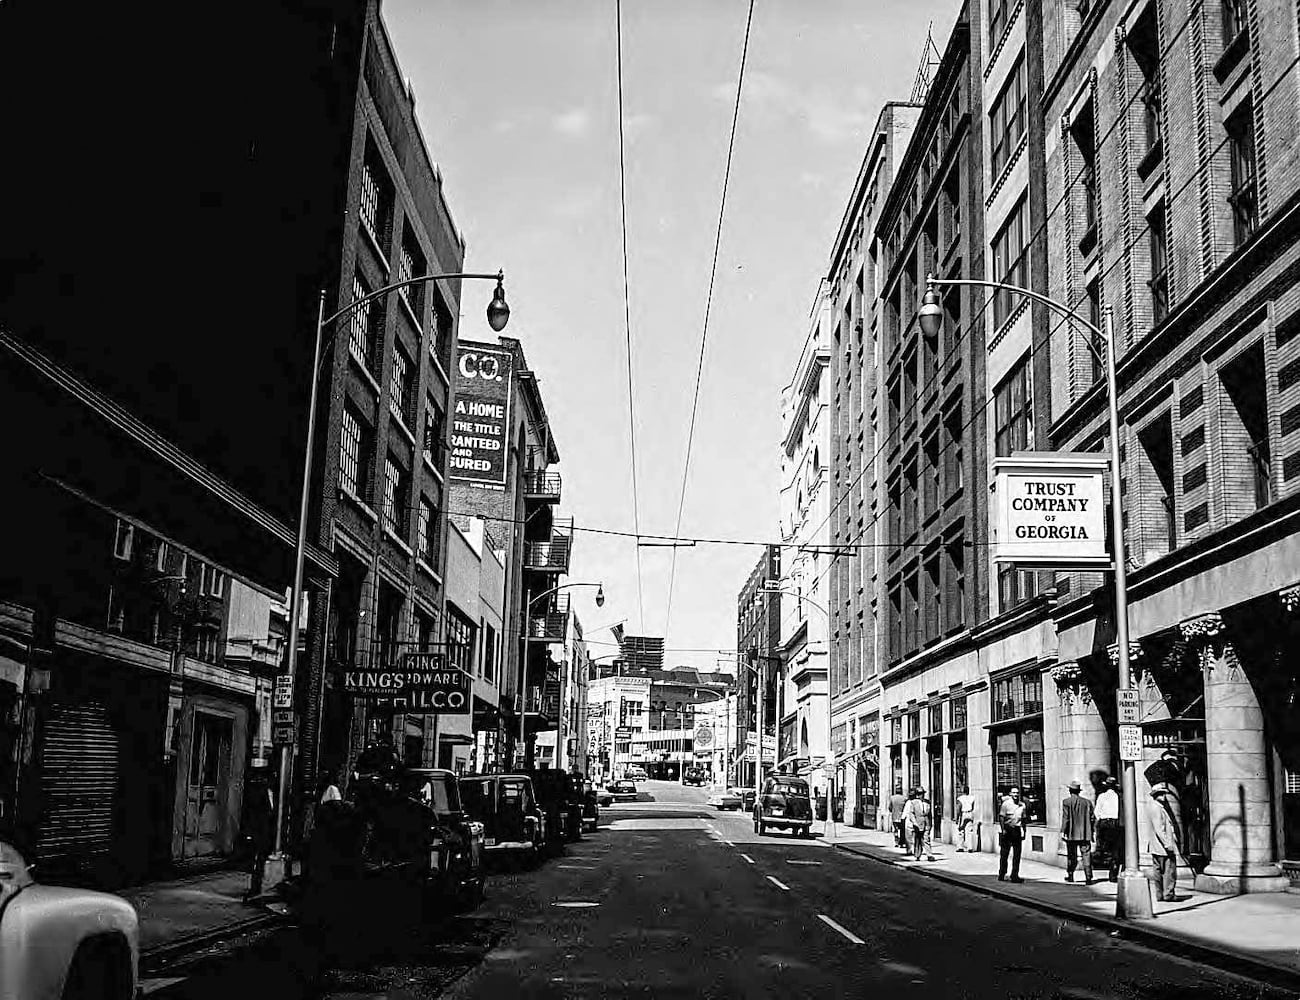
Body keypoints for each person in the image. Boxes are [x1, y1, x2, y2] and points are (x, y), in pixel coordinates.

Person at [243, 769, 275, 901]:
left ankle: (257, 887)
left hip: (266, 832)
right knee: (258, 861)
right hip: (260, 832)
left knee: (261, 861)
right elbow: (255, 815)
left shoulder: (272, 793)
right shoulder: (259, 793)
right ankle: (255, 888)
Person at [1147, 782, 1181, 902]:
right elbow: (1159, 829)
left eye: (1164, 794)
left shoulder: (1154, 807)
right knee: (1169, 871)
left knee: (1158, 871)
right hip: (1162, 847)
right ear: (1156, 795)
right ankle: (1168, 894)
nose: (1164, 796)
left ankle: (1160, 894)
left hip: (1156, 846)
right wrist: (1168, 844)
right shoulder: (1157, 808)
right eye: (1161, 794)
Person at [1060, 779, 1095, 883]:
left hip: (1072, 833)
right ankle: (1088, 877)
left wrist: (1063, 831)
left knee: (1071, 855)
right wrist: (1090, 829)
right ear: (1079, 791)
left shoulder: (1066, 802)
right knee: (1086, 855)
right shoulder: (1087, 803)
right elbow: (1093, 818)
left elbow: (1065, 818)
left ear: (1070, 791)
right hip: (1085, 833)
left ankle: (1070, 875)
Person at [1094, 777, 1122, 882]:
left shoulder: (1102, 796)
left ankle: (1102, 862)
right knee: (1116, 849)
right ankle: (1113, 873)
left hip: (1104, 823)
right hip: (1115, 823)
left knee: (1104, 847)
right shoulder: (1119, 797)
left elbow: (1097, 812)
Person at [997, 786, 1026, 883]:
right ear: (1010, 794)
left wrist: (1024, 831)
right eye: (1014, 793)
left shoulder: (1022, 805)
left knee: (1017, 854)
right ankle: (1002, 873)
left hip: (1017, 830)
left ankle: (1015, 875)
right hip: (1007, 829)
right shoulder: (1006, 804)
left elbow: (1023, 819)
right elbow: (1001, 817)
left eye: (1017, 793)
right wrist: (1003, 829)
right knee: (1004, 853)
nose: (1016, 795)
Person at [904, 787, 935, 861]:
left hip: (926, 822)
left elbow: (929, 814)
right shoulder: (913, 802)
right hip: (918, 823)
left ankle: (929, 855)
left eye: (922, 794)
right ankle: (917, 854)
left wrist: (930, 823)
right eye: (920, 794)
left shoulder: (927, 802)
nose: (922, 795)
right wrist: (914, 822)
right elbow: (911, 813)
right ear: (917, 795)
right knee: (918, 839)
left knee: (926, 839)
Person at [955, 785, 977, 852]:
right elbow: (973, 806)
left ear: (963, 791)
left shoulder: (960, 798)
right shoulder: (972, 798)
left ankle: (960, 847)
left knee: (961, 830)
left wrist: (957, 817)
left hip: (963, 813)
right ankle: (970, 847)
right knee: (970, 831)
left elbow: (958, 808)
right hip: (970, 813)